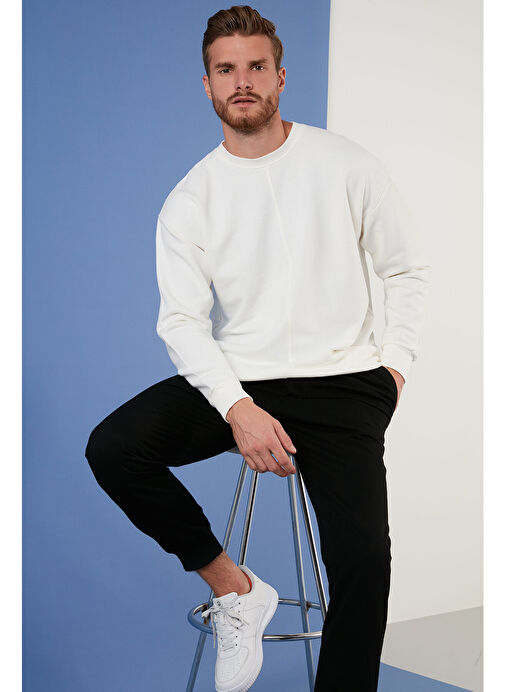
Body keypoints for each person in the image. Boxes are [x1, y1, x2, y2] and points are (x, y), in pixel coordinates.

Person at [85, 5, 431, 691]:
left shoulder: (346, 163)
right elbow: (181, 321)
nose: (241, 81)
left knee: (364, 561)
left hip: (345, 379)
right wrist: (236, 407)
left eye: (255, 66)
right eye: (225, 69)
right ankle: (235, 589)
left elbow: (406, 270)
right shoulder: (191, 197)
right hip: (245, 378)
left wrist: (395, 368)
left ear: (280, 76)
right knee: (114, 448)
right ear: (207, 85)